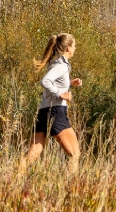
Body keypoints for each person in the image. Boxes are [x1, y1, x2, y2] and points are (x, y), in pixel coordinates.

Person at [19, 33, 82, 175]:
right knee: (74, 154)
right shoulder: (61, 66)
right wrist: (61, 94)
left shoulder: (55, 64)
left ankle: (14, 180)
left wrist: (70, 84)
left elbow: (53, 83)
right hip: (56, 112)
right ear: (67, 48)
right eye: (74, 46)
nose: (75, 48)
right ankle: (71, 189)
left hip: (43, 112)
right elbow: (45, 81)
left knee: (33, 154)